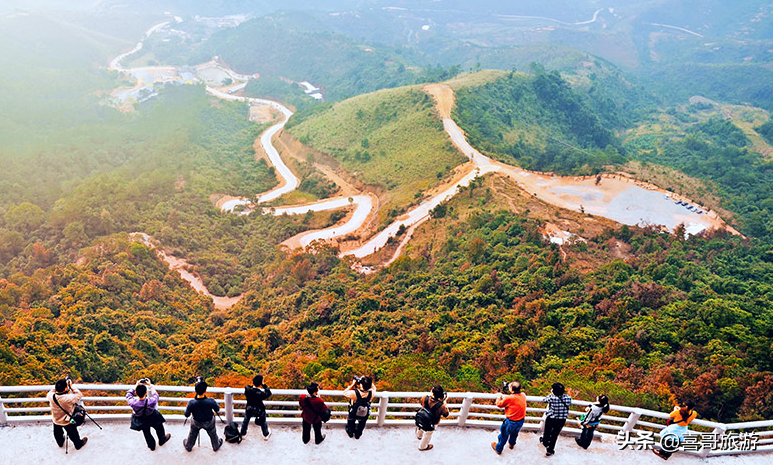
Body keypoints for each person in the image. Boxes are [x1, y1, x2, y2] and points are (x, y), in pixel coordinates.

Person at [126, 378, 171, 450]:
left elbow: (128, 395)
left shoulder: (133, 403)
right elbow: (155, 395)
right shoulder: (151, 401)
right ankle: (162, 440)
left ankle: (152, 446)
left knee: (146, 432)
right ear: (146, 392)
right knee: (159, 428)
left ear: (136, 393)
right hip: (152, 416)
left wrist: (136, 385)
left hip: (141, 419)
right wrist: (150, 385)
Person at [46, 378, 88, 450]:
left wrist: (58, 385)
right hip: (67, 421)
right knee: (73, 434)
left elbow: (52, 390)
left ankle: (60, 443)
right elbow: (79, 395)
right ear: (65, 388)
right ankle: (78, 444)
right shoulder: (68, 398)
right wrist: (71, 386)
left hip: (56, 419)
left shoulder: (51, 396)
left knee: (57, 433)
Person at [183, 380, 223, 452]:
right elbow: (217, 409)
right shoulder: (210, 401)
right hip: (209, 421)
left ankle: (188, 446)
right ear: (205, 391)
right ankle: (216, 446)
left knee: (192, 433)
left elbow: (186, 414)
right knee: (213, 434)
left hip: (196, 422)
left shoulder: (192, 403)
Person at [491, 381, 527, 454]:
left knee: (504, 435)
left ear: (512, 390)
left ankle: (498, 449)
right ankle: (511, 444)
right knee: (515, 433)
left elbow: (499, 404)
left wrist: (499, 397)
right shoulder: (523, 395)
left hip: (511, 421)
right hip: (521, 420)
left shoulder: (509, 398)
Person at [540, 382, 572, 457]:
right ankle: (550, 450)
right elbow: (568, 403)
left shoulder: (552, 397)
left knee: (547, 431)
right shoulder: (568, 398)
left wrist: (552, 393)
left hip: (552, 418)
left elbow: (544, 400)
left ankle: (545, 442)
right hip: (561, 419)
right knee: (555, 434)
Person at [415, 385, 450, 451]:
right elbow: (446, 414)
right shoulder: (441, 406)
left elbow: (421, 403)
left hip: (422, 417)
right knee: (428, 434)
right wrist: (444, 402)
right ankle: (422, 447)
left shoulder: (425, 398)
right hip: (433, 422)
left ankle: (419, 436)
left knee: (421, 426)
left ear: (432, 393)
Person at [241, 374, 272, 439]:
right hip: (259, 410)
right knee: (263, 422)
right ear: (260, 383)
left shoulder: (247, 389)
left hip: (249, 408)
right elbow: (269, 393)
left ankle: (243, 434)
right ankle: (265, 434)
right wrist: (264, 385)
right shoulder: (260, 393)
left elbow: (249, 387)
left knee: (246, 420)